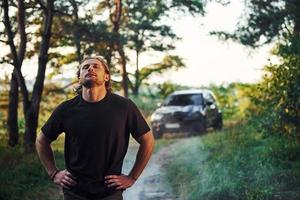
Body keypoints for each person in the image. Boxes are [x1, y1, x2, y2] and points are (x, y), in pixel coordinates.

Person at [36, 56, 155, 200]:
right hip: (74, 192)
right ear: (79, 78)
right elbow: (42, 141)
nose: (90, 68)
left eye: (95, 66)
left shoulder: (124, 107)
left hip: (110, 192)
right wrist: (53, 173)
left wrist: (132, 177)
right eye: (85, 67)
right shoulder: (66, 109)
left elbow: (147, 140)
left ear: (106, 76)